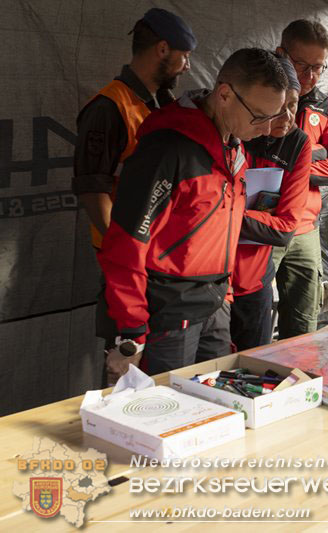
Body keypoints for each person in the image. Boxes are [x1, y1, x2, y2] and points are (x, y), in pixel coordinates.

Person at [99, 48, 288, 380]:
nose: (268, 128)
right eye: (260, 116)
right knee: (162, 417)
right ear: (225, 94)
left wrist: (226, 295)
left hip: (215, 307)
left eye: (275, 115)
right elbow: (124, 244)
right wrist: (131, 332)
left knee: (211, 414)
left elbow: (221, 229)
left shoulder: (234, 146)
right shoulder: (168, 148)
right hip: (165, 315)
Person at [72, 8, 195, 360]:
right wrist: (126, 253)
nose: (186, 66)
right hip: (130, 263)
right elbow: (93, 193)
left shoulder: (165, 104)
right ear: (162, 49)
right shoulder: (109, 107)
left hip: (162, 262)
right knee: (124, 371)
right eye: (183, 56)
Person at [275, 19, 328, 335]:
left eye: (317, 68)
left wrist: (294, 168)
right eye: (300, 65)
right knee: (250, 317)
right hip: (260, 224)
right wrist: (315, 154)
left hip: (305, 228)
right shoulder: (258, 95)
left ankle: (300, 382)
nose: (309, 77)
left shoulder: (325, 106)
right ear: (280, 54)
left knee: (304, 324)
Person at [230, 56, 310, 350]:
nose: (287, 117)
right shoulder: (234, 134)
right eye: (279, 108)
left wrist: (230, 216)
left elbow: (285, 228)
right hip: (216, 281)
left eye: (294, 105)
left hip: (255, 280)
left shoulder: (298, 142)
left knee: (254, 368)